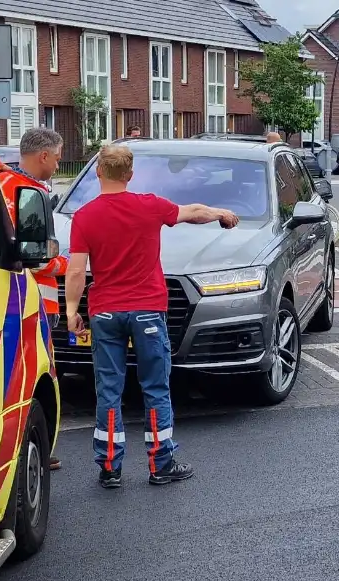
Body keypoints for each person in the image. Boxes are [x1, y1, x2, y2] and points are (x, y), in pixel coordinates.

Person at [64, 145, 239, 489]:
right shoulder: (149, 206)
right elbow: (194, 211)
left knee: (109, 388)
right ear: (129, 175)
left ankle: (110, 467)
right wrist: (222, 213)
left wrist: (72, 312)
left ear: (99, 173)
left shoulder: (84, 217)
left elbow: (75, 271)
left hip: (105, 312)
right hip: (146, 310)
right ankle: (161, 463)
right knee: (155, 386)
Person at [0, 127, 69, 470]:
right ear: (43, 156)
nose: (58, 162)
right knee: (38, 376)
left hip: (19, 298)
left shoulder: (5, 186)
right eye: (56, 156)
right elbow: (34, 255)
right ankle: (36, 445)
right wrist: (68, 264)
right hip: (33, 300)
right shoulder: (26, 192)